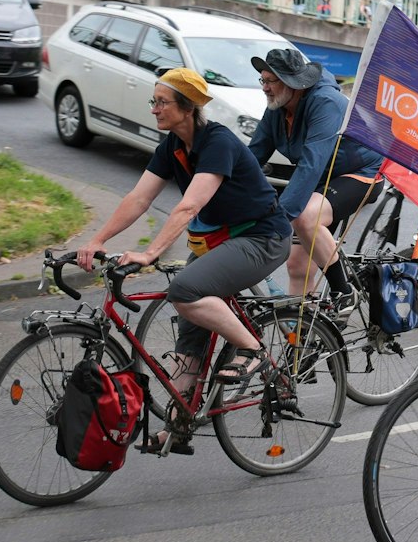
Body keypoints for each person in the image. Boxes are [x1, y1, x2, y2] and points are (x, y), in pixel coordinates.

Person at [80, 68, 292, 408]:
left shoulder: (218, 142)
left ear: (188, 107)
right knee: (190, 335)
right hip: (218, 241)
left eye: (162, 102)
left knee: (184, 290)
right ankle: (182, 420)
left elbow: (189, 206)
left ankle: (252, 350)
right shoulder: (174, 144)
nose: (154, 108)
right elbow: (139, 198)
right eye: (155, 101)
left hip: (261, 238)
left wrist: (150, 253)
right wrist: (97, 240)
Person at [246, 48, 382, 300]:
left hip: (359, 173)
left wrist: (279, 218)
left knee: (306, 216)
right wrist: (220, 190)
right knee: (297, 267)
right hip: (322, 176)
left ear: (292, 83)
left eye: (270, 81)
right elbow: (253, 156)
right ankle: (305, 335)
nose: (264, 87)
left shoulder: (325, 102)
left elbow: (311, 162)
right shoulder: (277, 107)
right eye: (262, 80)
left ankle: (344, 291)